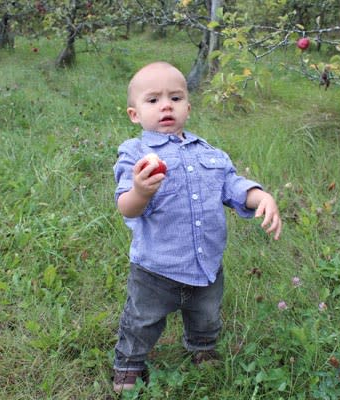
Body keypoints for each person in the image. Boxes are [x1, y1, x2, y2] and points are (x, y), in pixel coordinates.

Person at [112, 61, 282, 393]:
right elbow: (126, 205)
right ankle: (128, 365)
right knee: (141, 321)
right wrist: (141, 191)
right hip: (155, 269)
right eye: (153, 100)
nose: (166, 105)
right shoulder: (135, 154)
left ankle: (201, 347)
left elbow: (232, 186)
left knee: (206, 314)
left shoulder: (212, 154)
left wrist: (260, 195)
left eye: (175, 98)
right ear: (134, 114)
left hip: (206, 265)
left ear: (188, 107)